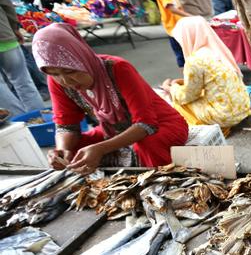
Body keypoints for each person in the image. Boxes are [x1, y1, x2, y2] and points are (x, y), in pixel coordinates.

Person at [33, 24, 188, 171]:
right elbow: (66, 125)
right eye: (54, 74)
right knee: (75, 149)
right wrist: (62, 150)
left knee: (147, 145)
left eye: (70, 72)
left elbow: (146, 124)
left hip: (161, 124)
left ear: (80, 58)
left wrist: (101, 148)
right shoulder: (57, 82)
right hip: (113, 131)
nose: (65, 81)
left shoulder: (117, 68)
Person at [162, 17, 250, 129]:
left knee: (178, 103)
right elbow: (212, 80)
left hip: (225, 116)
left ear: (188, 36)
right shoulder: (217, 50)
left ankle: (214, 130)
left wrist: (170, 88)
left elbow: (188, 95)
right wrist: (180, 83)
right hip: (243, 109)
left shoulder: (195, 61)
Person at [0, 0, 44, 117]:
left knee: (1, 89)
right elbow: (6, 4)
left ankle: (22, 125)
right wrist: (14, 28)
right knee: (23, 82)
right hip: (5, 35)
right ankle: (40, 120)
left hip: (6, 36)